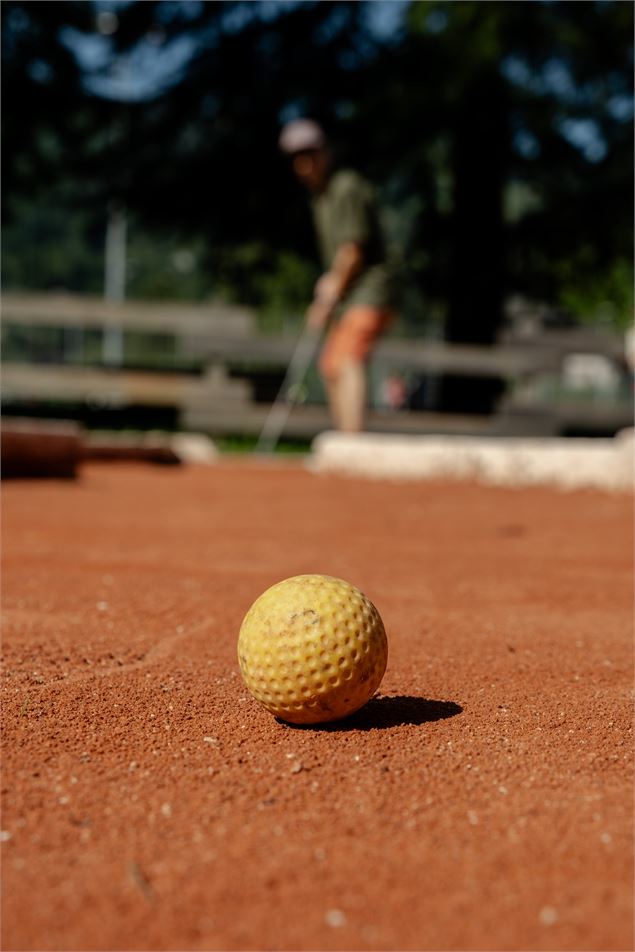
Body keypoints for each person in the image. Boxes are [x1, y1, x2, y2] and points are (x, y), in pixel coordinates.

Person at [279, 118, 395, 432]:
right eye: (297, 158)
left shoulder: (345, 187)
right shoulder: (321, 197)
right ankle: (345, 436)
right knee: (331, 363)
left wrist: (332, 287)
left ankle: (353, 442)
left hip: (371, 289)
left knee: (347, 356)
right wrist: (329, 282)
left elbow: (353, 250)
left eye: (310, 154)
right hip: (351, 292)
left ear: (325, 152)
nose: (304, 165)